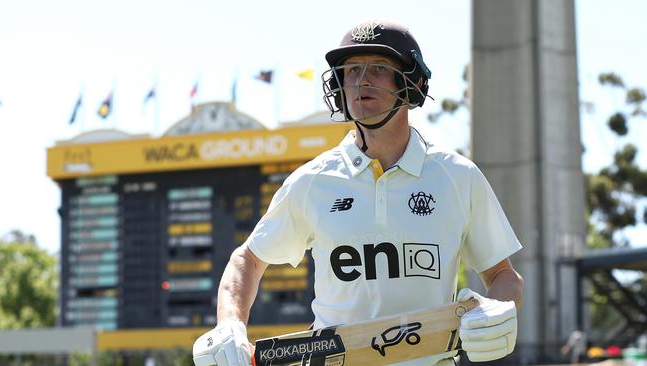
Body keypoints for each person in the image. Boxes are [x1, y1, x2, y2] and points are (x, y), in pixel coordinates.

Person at [193, 20, 524, 366]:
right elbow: (247, 259)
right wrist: (230, 321)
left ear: (413, 82)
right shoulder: (313, 181)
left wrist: (498, 308)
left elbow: (503, 276)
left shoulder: (458, 176)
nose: (360, 80)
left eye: (378, 68)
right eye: (350, 70)